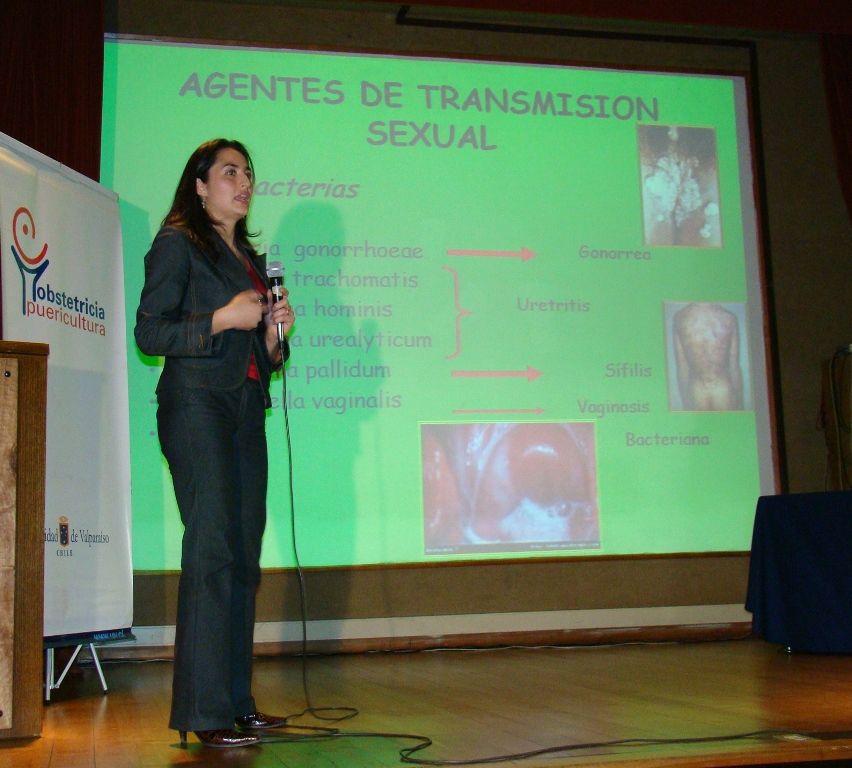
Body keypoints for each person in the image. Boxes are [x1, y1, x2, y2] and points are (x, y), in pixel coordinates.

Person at [135, 138, 295, 749]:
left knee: (243, 557)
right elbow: (150, 331)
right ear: (200, 186)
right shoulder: (178, 243)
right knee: (211, 551)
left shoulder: (247, 258)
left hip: (245, 409)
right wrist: (223, 318)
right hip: (197, 405)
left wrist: (274, 337)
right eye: (230, 172)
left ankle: (236, 702)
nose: (244, 181)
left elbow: (263, 356)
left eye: (248, 172)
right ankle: (203, 713)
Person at [672, 302, 744, 411]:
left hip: (697, 391)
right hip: (723, 389)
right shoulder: (729, 318)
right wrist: (740, 400)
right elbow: (734, 365)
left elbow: (682, 366)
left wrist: (685, 399)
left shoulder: (680, 317)